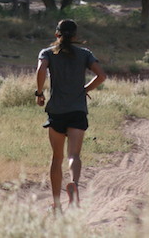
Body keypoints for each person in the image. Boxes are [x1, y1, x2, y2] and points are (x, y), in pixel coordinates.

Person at [35, 19, 107, 211]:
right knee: (73, 155)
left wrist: (39, 92)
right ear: (75, 36)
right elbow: (101, 75)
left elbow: (41, 69)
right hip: (77, 111)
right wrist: (84, 89)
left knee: (57, 158)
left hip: (57, 111)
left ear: (56, 34)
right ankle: (74, 183)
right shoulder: (85, 54)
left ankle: (57, 204)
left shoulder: (47, 53)